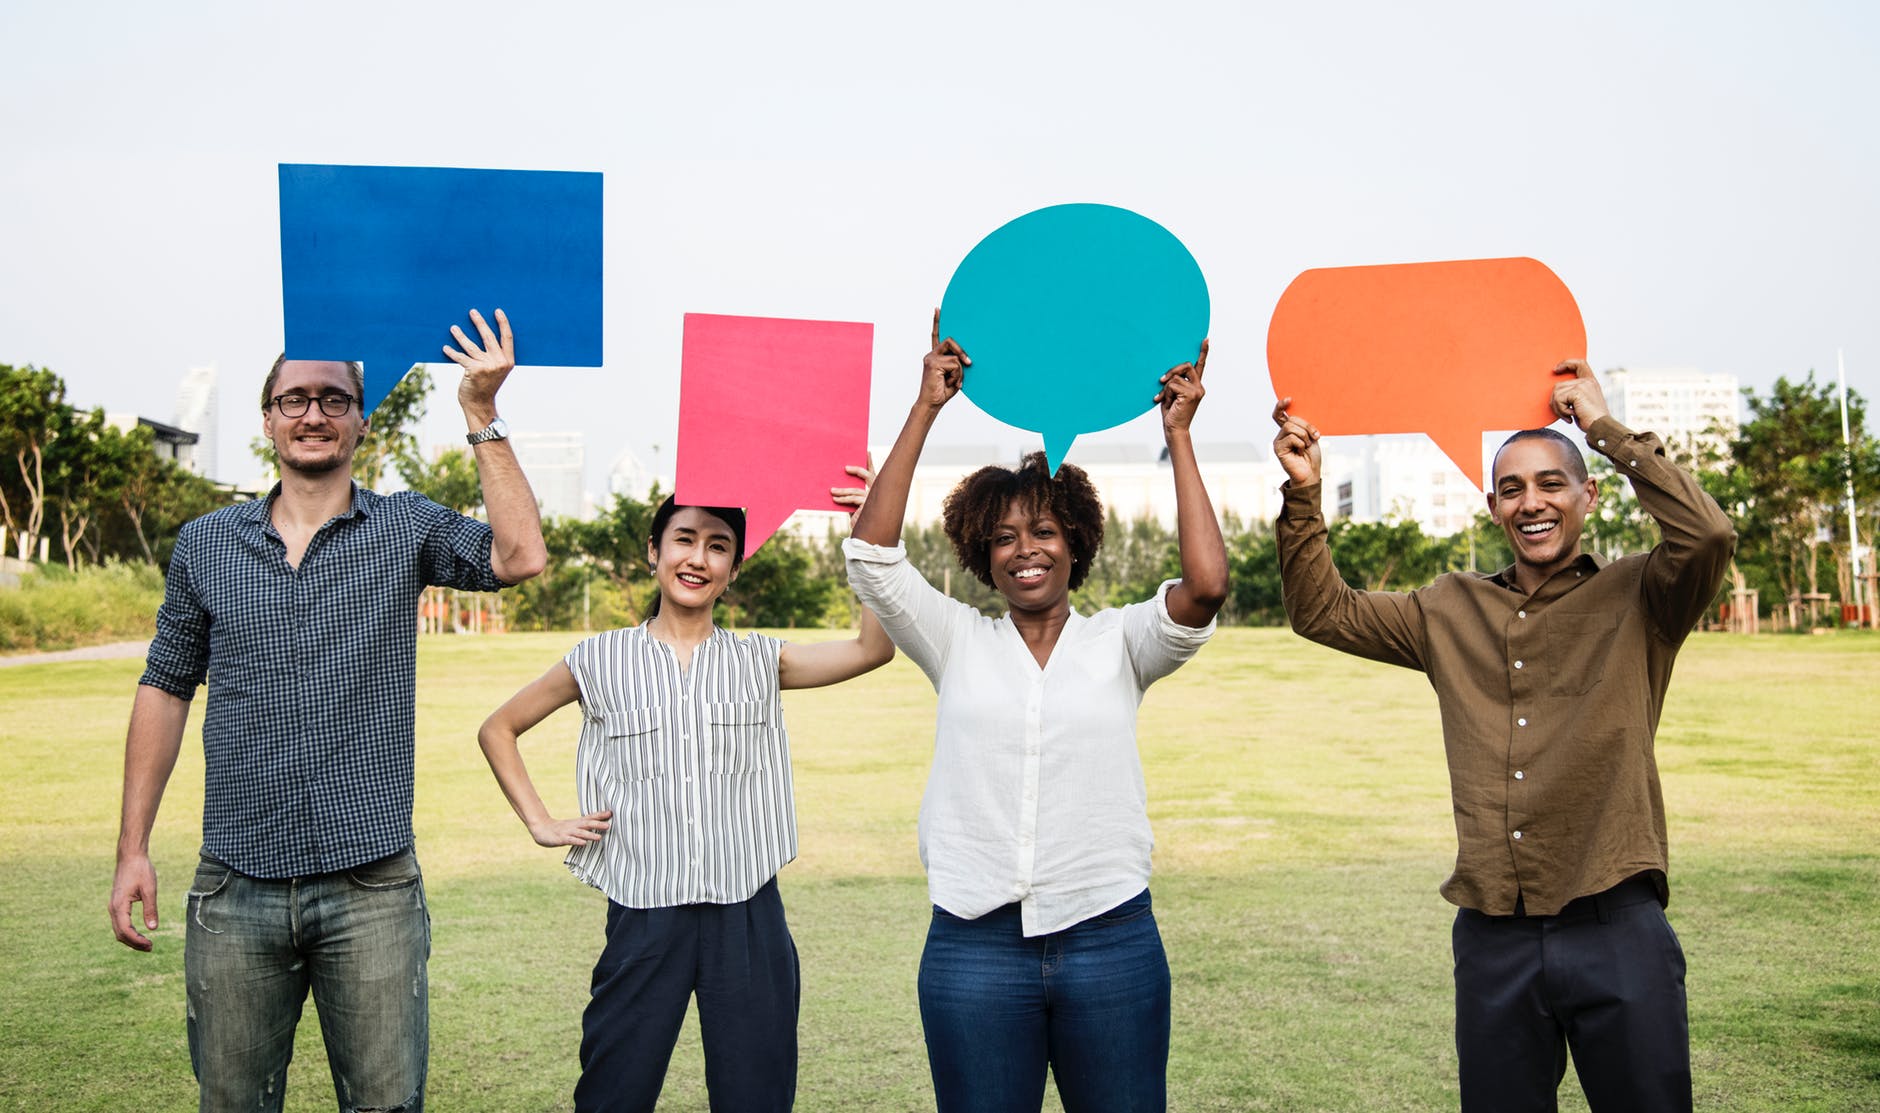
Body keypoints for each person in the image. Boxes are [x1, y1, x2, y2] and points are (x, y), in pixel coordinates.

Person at [108, 309, 547, 1112]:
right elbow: (165, 687)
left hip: (370, 886)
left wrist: (481, 410)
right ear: (269, 418)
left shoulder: (405, 526)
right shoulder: (205, 544)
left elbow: (520, 555)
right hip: (234, 885)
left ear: (361, 419)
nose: (314, 413)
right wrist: (132, 846)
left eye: (334, 399)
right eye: (295, 398)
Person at [1271, 360, 1735, 1112]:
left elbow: (1708, 531)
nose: (1533, 502)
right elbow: (1323, 611)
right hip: (1494, 938)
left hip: (1617, 924)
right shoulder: (1447, 609)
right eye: (1513, 488)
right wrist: (1302, 491)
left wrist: (1603, 429)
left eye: (1552, 482)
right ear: (1492, 506)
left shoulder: (1643, 594)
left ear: (1587, 495)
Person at [844, 313, 1228, 1113]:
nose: (1027, 548)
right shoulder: (954, 639)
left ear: (1076, 542)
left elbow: (1206, 586)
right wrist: (926, 407)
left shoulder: (1122, 641)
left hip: (1110, 938)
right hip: (973, 945)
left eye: (1045, 530)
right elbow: (872, 556)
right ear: (982, 555)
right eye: (1005, 536)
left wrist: (1178, 435)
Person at [477, 480, 895, 1113]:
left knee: (756, 1095)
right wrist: (540, 821)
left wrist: (867, 532)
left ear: (733, 570)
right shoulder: (598, 658)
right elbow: (498, 728)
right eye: (684, 540)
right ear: (654, 551)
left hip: (748, 916)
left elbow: (873, 648)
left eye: (719, 546)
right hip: (644, 914)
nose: (698, 558)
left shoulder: (761, 660)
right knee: (613, 1093)